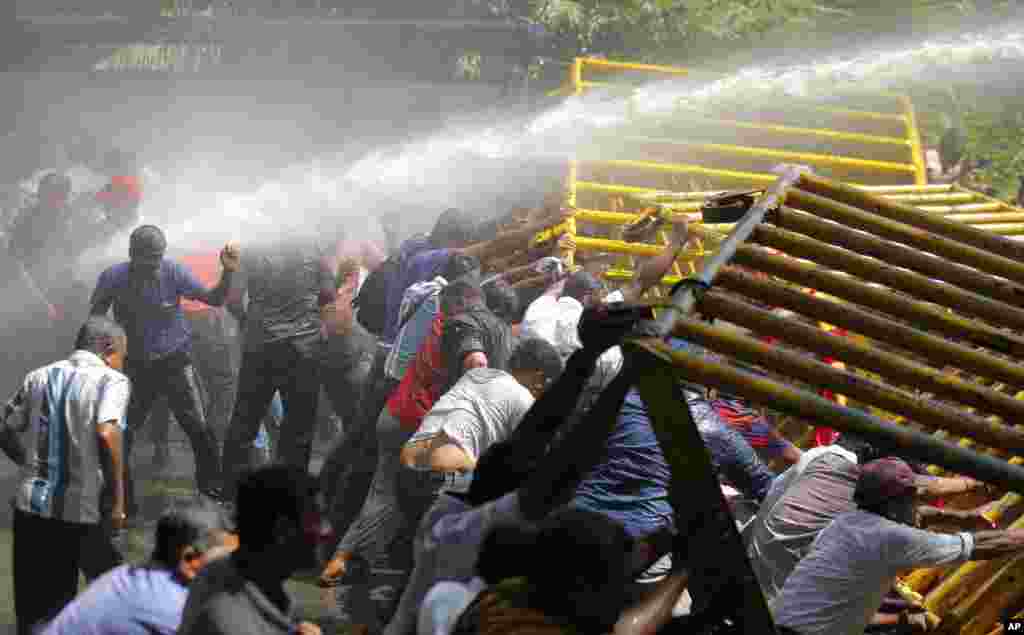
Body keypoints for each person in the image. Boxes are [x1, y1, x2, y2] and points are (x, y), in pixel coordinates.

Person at [379, 339, 564, 635]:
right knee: (435, 577)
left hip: (409, 467)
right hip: (443, 480)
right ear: (540, 378)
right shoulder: (524, 401)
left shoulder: (477, 376)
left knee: (419, 572)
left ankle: (395, 614)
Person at [773, 458, 1024, 635]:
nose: (915, 502)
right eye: (911, 496)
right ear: (894, 503)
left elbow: (832, 607)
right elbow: (974, 546)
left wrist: (897, 620)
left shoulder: (845, 523)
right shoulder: (891, 536)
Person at [89, 225, 237, 510]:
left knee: (198, 428)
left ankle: (212, 491)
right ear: (132, 255)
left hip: (174, 362)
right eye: (145, 261)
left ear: (162, 256)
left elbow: (215, 299)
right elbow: (95, 319)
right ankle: (121, 501)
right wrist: (102, 357)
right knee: (123, 433)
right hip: (134, 366)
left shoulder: (174, 272)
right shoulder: (113, 277)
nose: (151, 268)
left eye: (155, 260)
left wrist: (227, 272)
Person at [0, 316, 130, 635]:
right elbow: (106, 431)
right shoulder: (110, 381)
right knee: (117, 594)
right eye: (122, 356)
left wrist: (27, 462)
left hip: (30, 507)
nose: (122, 364)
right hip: (80, 511)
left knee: (34, 611)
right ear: (108, 347)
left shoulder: (38, 376)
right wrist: (118, 502)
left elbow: (4, 426)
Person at [748, 436, 990, 604]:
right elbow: (931, 488)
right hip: (783, 597)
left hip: (753, 561)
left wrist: (962, 517)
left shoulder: (819, 458)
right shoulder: (860, 492)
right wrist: (977, 482)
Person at [220, 232, 337, 499]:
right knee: (299, 425)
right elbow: (328, 293)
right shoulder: (313, 246)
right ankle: (290, 493)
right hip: (303, 349)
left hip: (260, 345)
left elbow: (234, 301)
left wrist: (250, 321)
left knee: (245, 420)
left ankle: (229, 493)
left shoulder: (253, 247)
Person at [39, 500, 236, 635]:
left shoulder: (128, 577)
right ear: (190, 559)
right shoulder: (172, 607)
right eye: (227, 553)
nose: (233, 562)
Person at [177, 465, 324, 635]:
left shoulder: (225, 570)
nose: (326, 531)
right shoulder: (230, 620)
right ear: (282, 529)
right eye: (316, 519)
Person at [439, 279, 513, 393]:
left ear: (461, 302)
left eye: (445, 308)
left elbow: (477, 362)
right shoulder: (504, 328)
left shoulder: (461, 322)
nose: (443, 315)